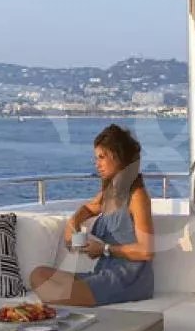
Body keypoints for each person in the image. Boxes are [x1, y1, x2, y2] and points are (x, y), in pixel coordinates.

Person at [31, 124, 155, 306]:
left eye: (102, 157)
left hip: (127, 279)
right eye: (96, 158)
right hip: (103, 273)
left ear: (119, 157)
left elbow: (147, 251)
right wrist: (73, 224)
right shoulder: (110, 192)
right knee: (38, 275)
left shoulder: (137, 196)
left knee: (53, 292)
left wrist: (104, 249)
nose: (97, 164)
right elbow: (88, 208)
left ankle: (53, 309)